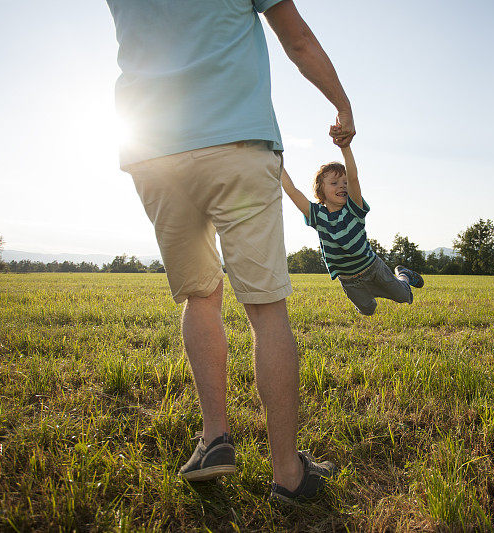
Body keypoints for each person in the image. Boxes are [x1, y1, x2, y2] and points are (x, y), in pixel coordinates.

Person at [105, 0, 354, 502]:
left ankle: (215, 440)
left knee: (200, 296)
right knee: (265, 310)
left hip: (153, 149)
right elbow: (298, 40)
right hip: (236, 140)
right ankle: (288, 473)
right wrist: (342, 106)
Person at [280, 141, 425, 316]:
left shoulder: (354, 208)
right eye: (334, 183)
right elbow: (292, 191)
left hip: (373, 269)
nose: (342, 185)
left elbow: (354, 178)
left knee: (404, 296)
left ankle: (403, 275)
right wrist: (277, 162)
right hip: (348, 280)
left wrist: (345, 147)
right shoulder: (317, 215)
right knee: (367, 310)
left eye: (345, 182)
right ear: (321, 191)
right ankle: (367, 299)